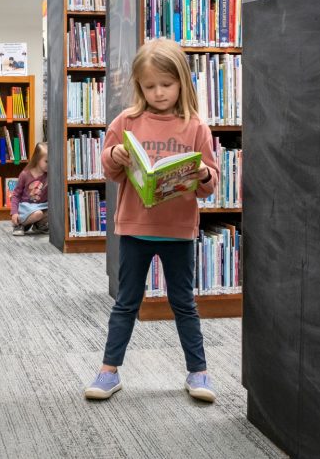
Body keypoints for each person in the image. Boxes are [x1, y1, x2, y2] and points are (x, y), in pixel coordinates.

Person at [84, 38, 219, 403]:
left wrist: (203, 173)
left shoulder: (195, 127)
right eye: (149, 86)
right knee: (126, 301)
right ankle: (109, 371)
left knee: (183, 303)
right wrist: (116, 153)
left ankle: (199, 372)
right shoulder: (126, 122)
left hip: (178, 230)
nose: (158, 93)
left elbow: (210, 185)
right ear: (139, 86)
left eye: (167, 84)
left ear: (182, 83)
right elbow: (110, 171)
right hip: (135, 228)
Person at [10, 141, 49, 236]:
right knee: (38, 214)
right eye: (46, 161)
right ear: (37, 159)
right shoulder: (25, 174)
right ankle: (20, 224)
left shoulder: (49, 175)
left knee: (57, 210)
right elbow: (16, 195)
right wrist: (14, 213)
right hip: (27, 207)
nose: (49, 164)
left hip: (42, 206)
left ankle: (38, 224)